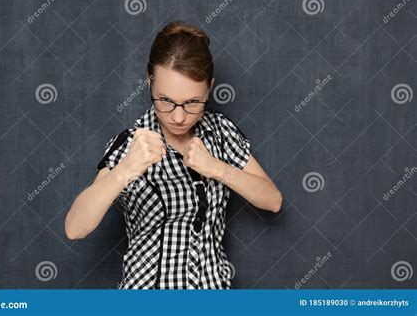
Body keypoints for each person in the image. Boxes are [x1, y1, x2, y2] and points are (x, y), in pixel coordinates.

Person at [65, 20, 283, 289]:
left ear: (210, 88)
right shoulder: (131, 144)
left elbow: (273, 201)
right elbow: (75, 228)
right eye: (165, 100)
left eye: (192, 102)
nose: (178, 117)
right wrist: (124, 171)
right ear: (150, 82)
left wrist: (217, 168)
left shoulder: (221, 133)